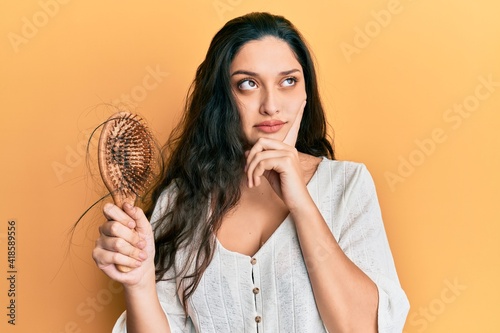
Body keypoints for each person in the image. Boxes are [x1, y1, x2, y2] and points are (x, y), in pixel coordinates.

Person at [93, 12, 410, 333]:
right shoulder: (179, 200)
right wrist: (139, 283)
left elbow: (362, 329)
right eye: (248, 84)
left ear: (305, 93)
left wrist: (300, 202)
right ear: (221, 98)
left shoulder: (347, 185)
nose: (271, 105)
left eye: (288, 81)